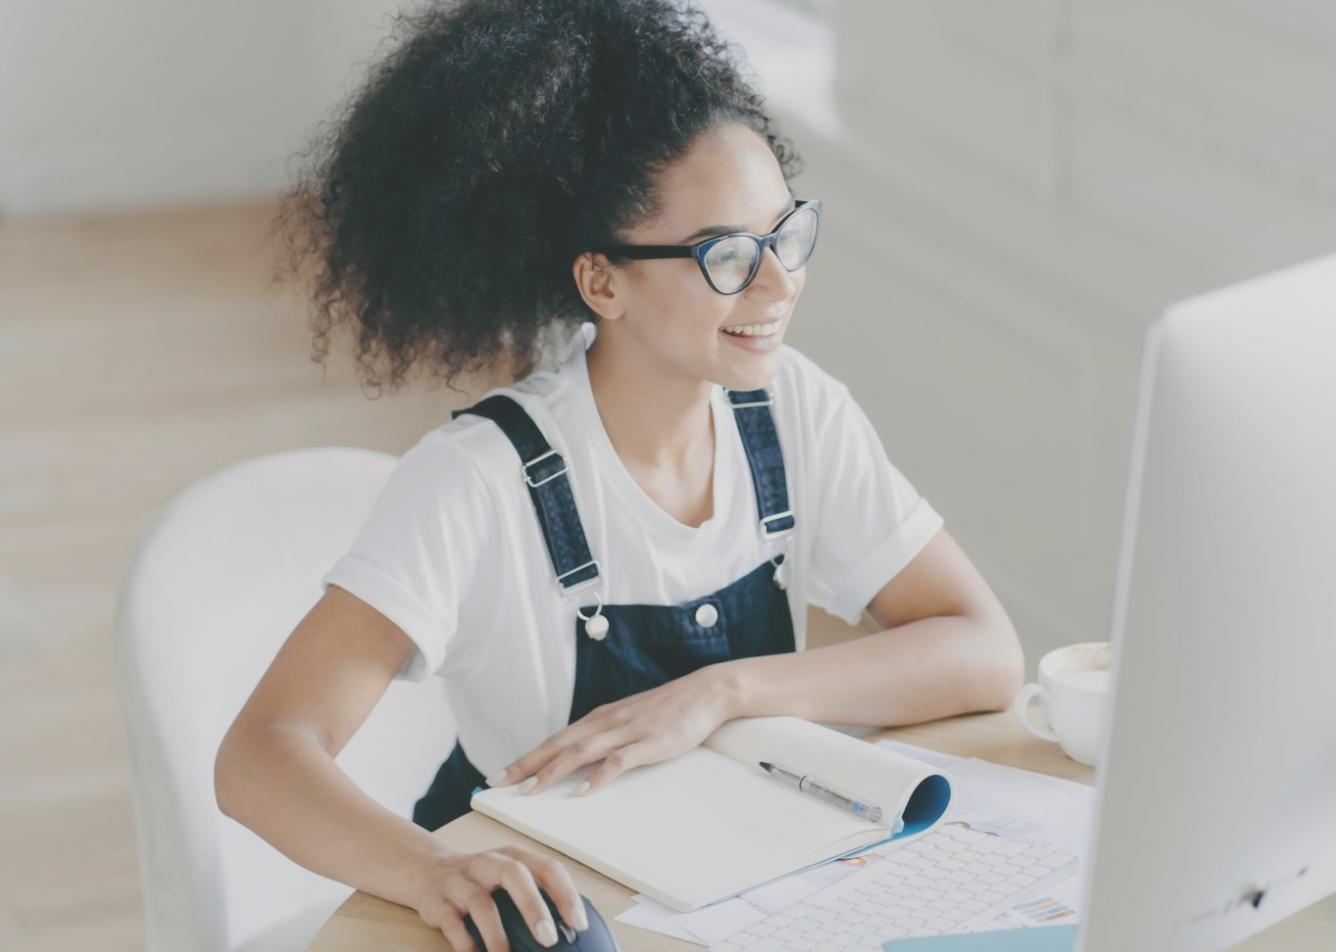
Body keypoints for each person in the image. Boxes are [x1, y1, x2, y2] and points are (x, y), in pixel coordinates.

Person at [214, 1, 1024, 950]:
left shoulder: (796, 411)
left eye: (787, 235)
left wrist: (721, 693)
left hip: (736, 881)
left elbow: (983, 651)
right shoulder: (480, 481)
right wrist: (435, 868)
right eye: (728, 256)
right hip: (551, 915)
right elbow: (261, 757)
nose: (778, 286)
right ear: (603, 283)